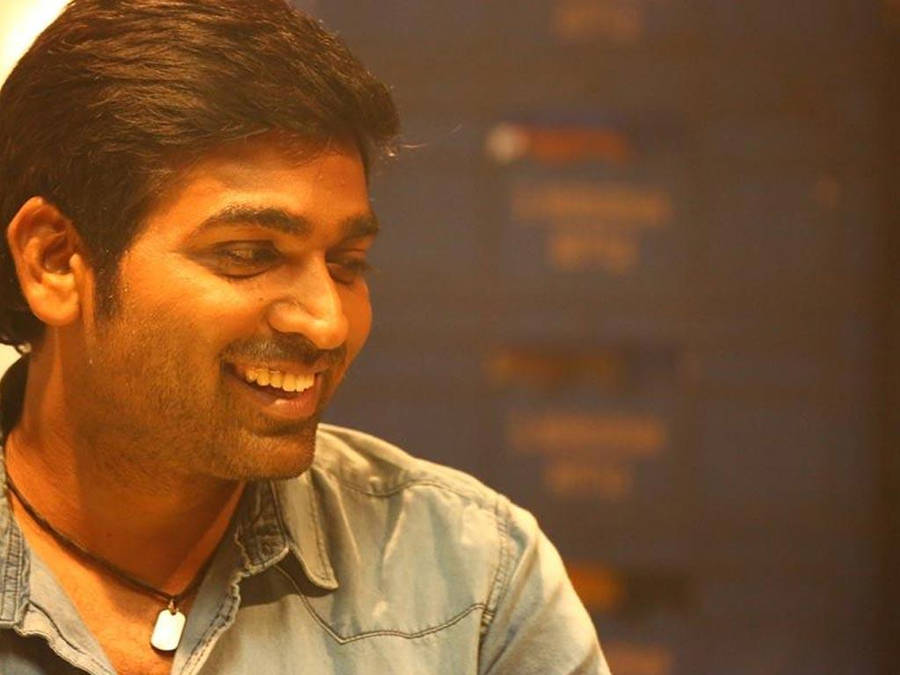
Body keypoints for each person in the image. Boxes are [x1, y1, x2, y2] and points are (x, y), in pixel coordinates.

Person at [0, 1, 609, 673]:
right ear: (55, 260)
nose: (328, 323)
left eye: (347, 264)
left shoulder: (473, 580)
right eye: (248, 254)